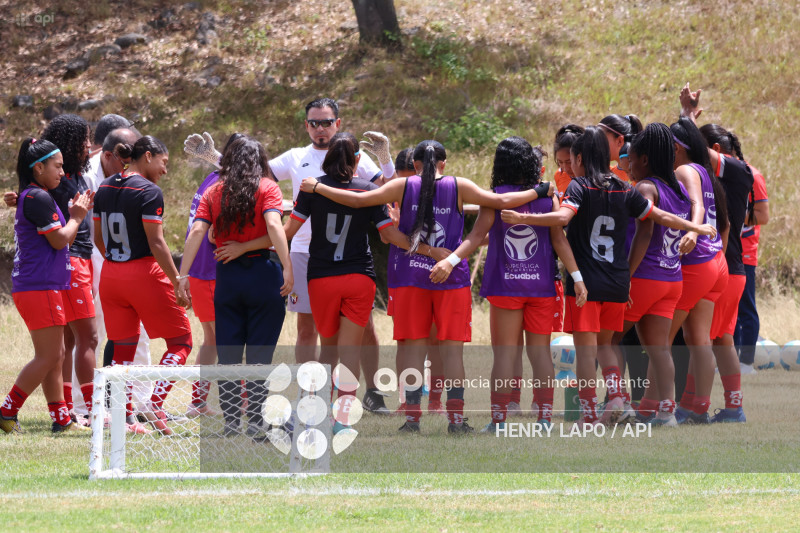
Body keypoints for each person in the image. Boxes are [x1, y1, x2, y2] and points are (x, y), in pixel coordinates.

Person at [301, 139, 554, 434]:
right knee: (452, 351)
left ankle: (412, 420)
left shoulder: (403, 185)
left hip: (410, 278)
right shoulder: (460, 185)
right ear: (444, 163)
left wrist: (318, 188)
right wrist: (539, 190)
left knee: (411, 348)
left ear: (416, 165)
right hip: (451, 277)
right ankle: (456, 421)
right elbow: (499, 201)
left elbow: (357, 201)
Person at [499, 126, 716, 427]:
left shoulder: (579, 187)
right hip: (617, 282)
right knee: (606, 345)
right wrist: (694, 227)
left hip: (586, 282)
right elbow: (657, 216)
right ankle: (618, 397)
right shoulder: (623, 187)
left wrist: (524, 217)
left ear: (578, 158)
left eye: (571, 160)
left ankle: (588, 415)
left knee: (587, 351)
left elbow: (562, 219)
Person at [429, 137, 585, 432]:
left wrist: (450, 262)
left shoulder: (495, 196)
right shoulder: (546, 196)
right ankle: (543, 420)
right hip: (540, 286)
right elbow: (559, 240)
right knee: (539, 354)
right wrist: (577, 277)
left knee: (505, 354)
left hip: (505, 286)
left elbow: (475, 238)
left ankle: (499, 420)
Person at [284, 133, 428, 432]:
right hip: (359, 278)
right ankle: (343, 421)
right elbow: (388, 235)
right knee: (350, 351)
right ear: (358, 161)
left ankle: (313, 412)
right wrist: (427, 249)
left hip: (322, 278)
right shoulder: (368, 190)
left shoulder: (312, 188)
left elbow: (288, 232)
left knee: (328, 350)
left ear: (325, 160)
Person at [266, 98, 394, 413]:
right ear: (305, 125)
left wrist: (386, 159)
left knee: (364, 329)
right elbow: (253, 175)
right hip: (303, 254)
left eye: (326, 122)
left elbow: (389, 190)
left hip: (339, 259)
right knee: (308, 329)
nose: (320, 128)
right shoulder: (296, 157)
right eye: (314, 122)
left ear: (338, 122)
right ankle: (313, 394)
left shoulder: (353, 157)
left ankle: (372, 392)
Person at [178, 136, 292, 436]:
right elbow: (273, 225)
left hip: (227, 277)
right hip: (264, 275)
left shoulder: (214, 191)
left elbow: (198, 231)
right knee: (259, 355)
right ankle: (255, 421)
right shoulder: (268, 187)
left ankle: (231, 423)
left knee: (228, 353)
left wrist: (182, 275)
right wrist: (289, 267)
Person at [93, 136, 192, 435]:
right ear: (147, 156)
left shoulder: (105, 186)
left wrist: (115, 261)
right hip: (143, 272)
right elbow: (157, 242)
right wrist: (177, 281)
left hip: (110, 274)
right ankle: (155, 402)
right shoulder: (149, 191)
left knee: (122, 350)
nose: (165, 171)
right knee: (181, 341)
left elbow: (99, 238)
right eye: (164, 163)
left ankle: (123, 419)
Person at [4, 115, 100, 423]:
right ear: (38, 168)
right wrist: (77, 216)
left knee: (56, 354)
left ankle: (61, 417)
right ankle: (7, 410)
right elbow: (60, 241)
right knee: (49, 356)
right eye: (57, 166)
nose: (62, 171)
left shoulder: (34, 195)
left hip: (41, 285)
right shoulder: (40, 197)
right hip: (39, 285)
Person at [614, 123, 692, 427]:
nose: (628, 166)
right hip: (672, 279)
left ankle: (617, 403)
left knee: (609, 338)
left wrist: (626, 277)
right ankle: (666, 412)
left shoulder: (646, 188)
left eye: (630, 159)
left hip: (644, 278)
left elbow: (644, 234)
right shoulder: (680, 189)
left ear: (645, 159)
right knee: (659, 348)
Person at [180, 133, 247, 418]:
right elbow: (212, 232)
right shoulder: (226, 185)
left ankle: (198, 403)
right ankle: (243, 402)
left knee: (213, 339)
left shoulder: (213, 176)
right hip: (211, 270)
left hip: (200, 270)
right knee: (227, 339)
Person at [667, 116, 729, 424]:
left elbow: (697, 205)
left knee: (659, 339)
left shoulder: (683, 169)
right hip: (717, 262)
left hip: (697, 262)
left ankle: (655, 408)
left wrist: (691, 232)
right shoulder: (705, 170)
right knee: (698, 338)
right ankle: (697, 407)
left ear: (676, 147)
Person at [699, 124, 769, 374]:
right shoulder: (713, 177)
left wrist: (736, 217)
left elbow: (763, 215)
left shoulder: (751, 174)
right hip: (723, 253)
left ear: (715, 149)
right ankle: (729, 375)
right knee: (722, 321)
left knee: (745, 307)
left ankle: (747, 360)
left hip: (743, 252)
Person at [598, 114, 643, 181]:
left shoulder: (639, 176)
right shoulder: (607, 173)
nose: (596, 143)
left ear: (619, 141)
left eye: (600, 139)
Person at [552, 124, 585, 199]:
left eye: (569, 162)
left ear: (580, 157)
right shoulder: (559, 175)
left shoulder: (601, 177)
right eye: (560, 162)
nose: (565, 168)